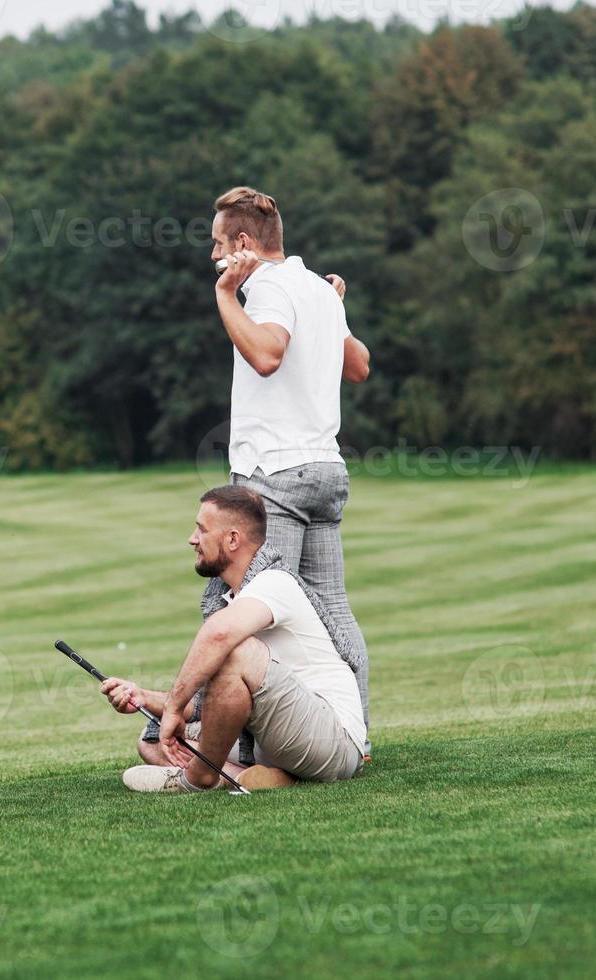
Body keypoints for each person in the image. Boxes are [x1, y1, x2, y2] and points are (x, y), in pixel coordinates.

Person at [207, 185, 371, 750]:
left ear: (245, 243)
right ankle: (357, 732)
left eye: (217, 245)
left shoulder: (269, 287)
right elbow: (359, 366)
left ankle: (233, 750)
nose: (213, 257)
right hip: (325, 471)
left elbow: (267, 355)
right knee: (331, 611)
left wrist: (227, 296)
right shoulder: (318, 288)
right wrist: (334, 311)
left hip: (273, 475)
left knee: (245, 611)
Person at [103, 486, 366, 792]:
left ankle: (198, 779)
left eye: (201, 529)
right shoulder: (232, 600)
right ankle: (247, 778)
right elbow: (211, 703)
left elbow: (219, 636)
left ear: (231, 539)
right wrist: (143, 697)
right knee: (152, 739)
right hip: (275, 744)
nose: (192, 539)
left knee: (235, 650)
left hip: (331, 743)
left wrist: (173, 708)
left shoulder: (274, 582)